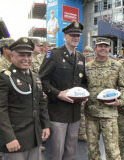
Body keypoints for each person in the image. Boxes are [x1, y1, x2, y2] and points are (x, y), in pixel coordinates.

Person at [0, 37, 50, 160]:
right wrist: (9, 138)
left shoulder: (35, 77)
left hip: (34, 137)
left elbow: (41, 103)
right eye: (21, 55)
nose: (26, 59)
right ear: (12, 56)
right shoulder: (2, 78)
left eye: (29, 55)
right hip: (15, 139)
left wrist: (45, 125)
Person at [39, 21, 87, 160]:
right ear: (65, 36)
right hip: (57, 112)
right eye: (72, 35)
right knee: (56, 152)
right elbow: (41, 80)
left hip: (75, 113)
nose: (76, 37)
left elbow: (83, 82)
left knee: (71, 151)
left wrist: (84, 94)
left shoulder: (81, 57)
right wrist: (58, 94)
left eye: (78, 35)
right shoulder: (53, 55)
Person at [84, 37, 124, 160]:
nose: (103, 48)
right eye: (100, 46)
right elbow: (82, 87)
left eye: (105, 46)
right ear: (95, 48)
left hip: (109, 115)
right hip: (91, 114)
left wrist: (120, 102)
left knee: (113, 151)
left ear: (109, 48)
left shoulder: (117, 66)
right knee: (92, 150)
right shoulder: (87, 67)